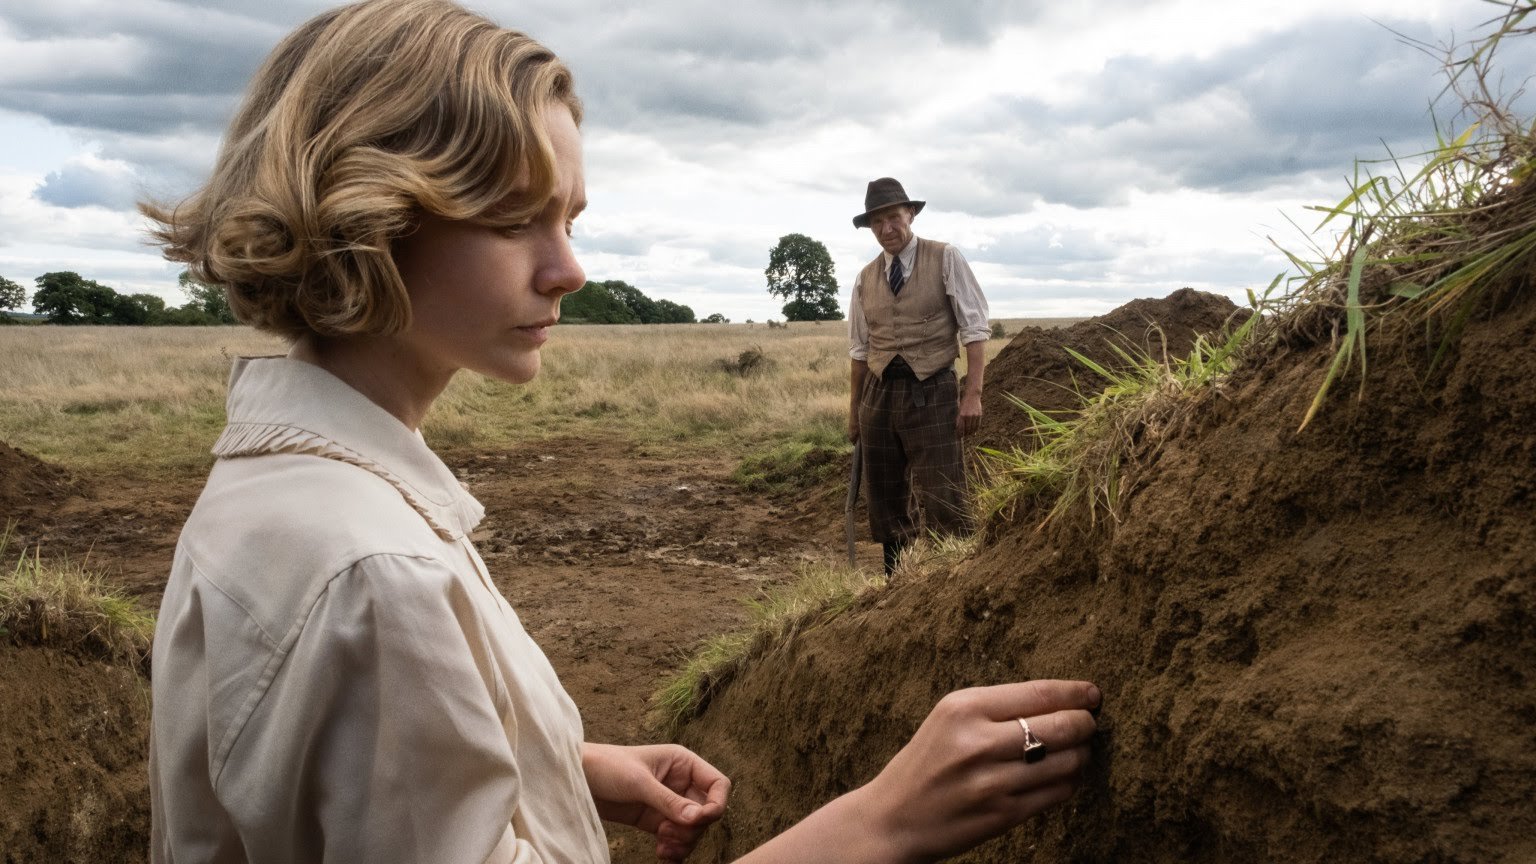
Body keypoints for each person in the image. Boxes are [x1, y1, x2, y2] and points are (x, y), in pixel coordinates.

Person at [142, 2, 1100, 862]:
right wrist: (882, 822)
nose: (569, 268)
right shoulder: (369, 575)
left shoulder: (276, 491)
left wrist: (562, 764)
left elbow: (329, 775)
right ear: (369, 212)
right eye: (516, 218)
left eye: (570, 217)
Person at [848, 178, 992, 575]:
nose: (886, 230)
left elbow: (975, 329)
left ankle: (957, 579)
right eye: (877, 222)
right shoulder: (865, 278)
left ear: (910, 214)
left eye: (893, 217)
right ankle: (899, 584)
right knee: (886, 497)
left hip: (932, 389)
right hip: (878, 396)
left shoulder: (945, 258)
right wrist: (854, 413)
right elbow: (860, 352)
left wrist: (973, 394)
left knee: (944, 490)